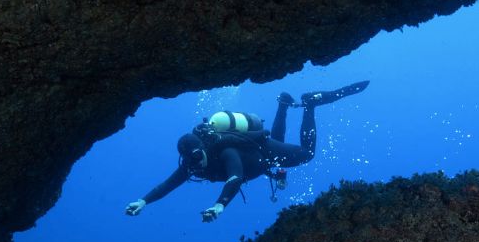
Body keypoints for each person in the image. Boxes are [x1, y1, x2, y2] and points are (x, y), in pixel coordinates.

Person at [124, 81, 369, 222]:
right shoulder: (191, 163)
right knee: (276, 151)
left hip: (261, 151)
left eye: (198, 157)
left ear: (202, 148)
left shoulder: (226, 150)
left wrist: (219, 205)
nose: (197, 164)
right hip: (262, 159)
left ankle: (310, 105)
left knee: (306, 154)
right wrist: (143, 201)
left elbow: (236, 177)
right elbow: (167, 185)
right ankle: (283, 105)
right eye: (192, 161)